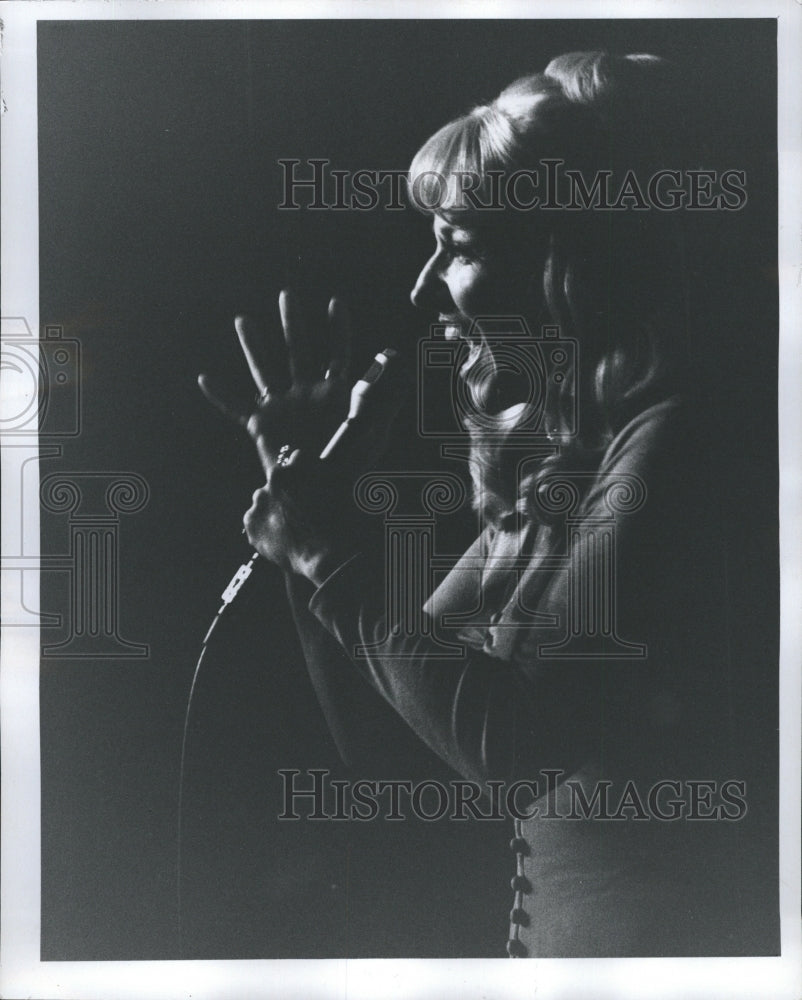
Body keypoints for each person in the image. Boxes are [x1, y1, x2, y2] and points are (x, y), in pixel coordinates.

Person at [199, 51, 777, 957]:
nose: (425, 288)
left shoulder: (678, 443)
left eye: (459, 246)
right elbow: (400, 746)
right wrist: (316, 525)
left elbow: (512, 746)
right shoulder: (561, 468)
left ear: (569, 260)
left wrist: (330, 556)